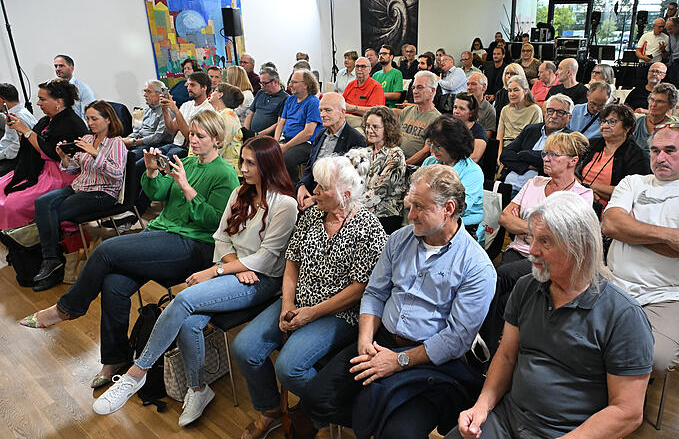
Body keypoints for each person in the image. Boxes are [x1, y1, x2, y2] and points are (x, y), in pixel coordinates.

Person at [19, 110, 240, 392]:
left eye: (200, 136)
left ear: (217, 139)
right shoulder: (186, 161)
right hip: (163, 233)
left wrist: (185, 186)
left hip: (193, 244)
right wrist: (151, 171)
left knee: (106, 250)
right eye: (192, 134)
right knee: (114, 284)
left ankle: (66, 309)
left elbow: (215, 223)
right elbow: (158, 193)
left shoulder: (225, 174)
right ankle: (115, 359)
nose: (193, 140)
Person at [89, 137, 298, 423]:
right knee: (189, 323)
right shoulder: (239, 192)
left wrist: (216, 271)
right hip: (236, 270)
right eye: (243, 161)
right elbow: (221, 238)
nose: (243, 168)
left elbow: (268, 259)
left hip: (261, 280)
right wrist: (233, 266)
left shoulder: (285, 204)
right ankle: (198, 389)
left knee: (184, 299)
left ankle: (136, 373)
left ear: (269, 166)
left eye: (251, 163)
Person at [302, 164, 496, 439]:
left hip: (429, 358)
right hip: (381, 340)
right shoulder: (399, 239)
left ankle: (373, 419)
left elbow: (456, 338)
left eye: (419, 207)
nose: (410, 214)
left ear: (448, 209)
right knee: (315, 399)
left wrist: (399, 360)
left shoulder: (477, 266)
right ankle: (369, 418)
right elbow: (375, 293)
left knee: (397, 433)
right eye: (410, 204)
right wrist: (365, 341)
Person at [452, 191, 653, 439]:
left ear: (580, 247)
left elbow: (627, 412)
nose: (532, 250)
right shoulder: (526, 288)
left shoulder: (624, 316)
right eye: (532, 238)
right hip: (507, 418)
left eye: (545, 241)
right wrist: (481, 407)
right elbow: (505, 356)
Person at [232, 156, 386, 439]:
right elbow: (292, 261)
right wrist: (287, 304)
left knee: (289, 368)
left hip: (338, 312)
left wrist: (311, 313)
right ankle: (270, 409)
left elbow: (359, 289)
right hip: (298, 300)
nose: (314, 191)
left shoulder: (370, 228)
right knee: (244, 349)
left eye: (322, 187)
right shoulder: (313, 214)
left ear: (345, 194)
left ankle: (324, 417)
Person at [602, 122, 679, 375]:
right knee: (572, 336)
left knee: (655, 358)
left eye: (670, 150)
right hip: (613, 283)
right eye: (655, 150)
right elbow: (611, 225)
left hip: (667, 294)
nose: (660, 158)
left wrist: (631, 228)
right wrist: (671, 235)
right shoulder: (633, 183)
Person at [482, 133, 593, 355]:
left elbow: (562, 239)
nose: (546, 158)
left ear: (572, 161)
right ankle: (499, 350)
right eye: (545, 153)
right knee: (506, 298)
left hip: (547, 261)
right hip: (517, 251)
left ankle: (486, 346)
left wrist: (526, 229)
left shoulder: (581, 195)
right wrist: (542, 233)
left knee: (497, 276)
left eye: (554, 154)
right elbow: (504, 218)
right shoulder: (533, 183)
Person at [32, 101, 127, 291]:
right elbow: (74, 168)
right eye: (88, 118)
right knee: (42, 203)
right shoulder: (86, 138)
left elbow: (117, 174)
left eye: (94, 119)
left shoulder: (116, 143)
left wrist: (95, 154)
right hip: (80, 186)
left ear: (108, 119)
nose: (90, 123)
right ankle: (52, 259)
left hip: (102, 192)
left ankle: (53, 260)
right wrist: (64, 157)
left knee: (52, 213)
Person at [0, 79, 89, 230]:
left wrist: (25, 130)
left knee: (11, 205)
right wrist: (20, 130)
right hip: (41, 168)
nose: (38, 103)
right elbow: (34, 145)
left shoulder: (71, 123)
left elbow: (49, 151)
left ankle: (22, 239)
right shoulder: (47, 120)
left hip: (60, 173)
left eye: (42, 99)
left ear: (58, 102)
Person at [296, 92, 366, 210]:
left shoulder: (356, 139)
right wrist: (302, 185)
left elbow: (351, 183)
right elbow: (310, 166)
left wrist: (314, 199)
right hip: (313, 189)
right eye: (321, 110)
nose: (322, 115)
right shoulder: (320, 134)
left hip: (335, 200)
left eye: (328, 110)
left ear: (342, 112)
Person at [577, 104, 650, 216]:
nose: (605, 125)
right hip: (578, 200)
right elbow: (570, 171)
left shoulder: (637, 156)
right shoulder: (591, 144)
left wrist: (588, 187)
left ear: (627, 127)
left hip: (612, 211)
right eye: (603, 121)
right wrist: (587, 192)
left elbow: (630, 193)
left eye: (612, 122)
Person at [421, 115, 485, 241]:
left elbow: (457, 208)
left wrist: (424, 201)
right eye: (430, 144)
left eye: (438, 146)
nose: (432, 150)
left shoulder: (472, 172)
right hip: (429, 221)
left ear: (454, 145)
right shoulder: (429, 162)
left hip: (461, 227)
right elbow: (412, 194)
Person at [346, 106, 407, 234]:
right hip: (360, 210)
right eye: (368, 126)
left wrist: (349, 207)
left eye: (375, 127)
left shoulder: (395, 155)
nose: (369, 130)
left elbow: (379, 192)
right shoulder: (365, 152)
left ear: (388, 129)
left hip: (385, 215)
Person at [500, 94, 573, 195]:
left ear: (569, 117)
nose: (553, 116)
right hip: (507, 186)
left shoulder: (568, 138)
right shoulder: (531, 129)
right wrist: (530, 166)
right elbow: (505, 155)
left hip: (536, 194)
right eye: (550, 111)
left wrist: (523, 154)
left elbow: (553, 164)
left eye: (560, 113)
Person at [273, 69, 324, 184]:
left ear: (305, 85)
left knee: (286, 158)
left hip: (306, 143)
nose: (290, 85)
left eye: (294, 82)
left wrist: (285, 147)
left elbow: (308, 133)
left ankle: (295, 188)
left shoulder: (313, 102)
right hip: (288, 140)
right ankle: (277, 187)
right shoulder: (290, 99)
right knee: (266, 153)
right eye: (290, 82)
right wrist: (275, 142)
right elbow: (281, 122)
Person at [159, 71, 214, 160]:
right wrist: (165, 109)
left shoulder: (207, 110)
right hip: (174, 144)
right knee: (148, 158)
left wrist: (176, 111)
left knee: (160, 163)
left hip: (187, 149)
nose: (188, 88)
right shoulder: (186, 105)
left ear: (204, 88)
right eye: (188, 85)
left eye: (192, 85)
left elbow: (190, 136)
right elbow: (172, 129)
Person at [399, 70, 442, 165]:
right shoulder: (406, 111)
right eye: (413, 87)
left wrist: (403, 165)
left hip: (414, 166)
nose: (415, 91)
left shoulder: (437, 119)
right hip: (396, 159)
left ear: (432, 91)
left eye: (420, 87)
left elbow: (426, 151)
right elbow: (395, 138)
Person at [496, 76, 543, 160]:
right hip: (506, 148)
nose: (512, 94)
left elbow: (534, 139)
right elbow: (499, 136)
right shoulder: (505, 109)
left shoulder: (535, 110)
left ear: (525, 91)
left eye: (516, 90)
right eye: (509, 90)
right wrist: (499, 156)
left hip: (524, 149)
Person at [122, 80, 170, 161]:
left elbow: (158, 137)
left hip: (154, 145)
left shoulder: (166, 111)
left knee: (128, 158)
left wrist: (134, 142)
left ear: (160, 94)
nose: (145, 95)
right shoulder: (148, 109)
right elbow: (140, 131)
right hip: (140, 142)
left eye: (148, 92)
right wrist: (126, 139)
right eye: (145, 91)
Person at [205, 83, 245, 171]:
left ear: (220, 94)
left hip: (228, 169)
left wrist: (203, 162)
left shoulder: (228, 115)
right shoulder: (220, 114)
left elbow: (221, 144)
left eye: (214, 90)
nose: (211, 93)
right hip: (219, 166)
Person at [0, 83, 36, 176]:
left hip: (16, 160)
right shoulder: (23, 111)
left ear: (1, 100)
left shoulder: (16, 117)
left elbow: (16, 148)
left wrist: (1, 154)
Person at [631, 82, 679, 150]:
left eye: (660, 101)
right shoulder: (638, 122)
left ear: (671, 105)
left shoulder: (677, 128)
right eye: (652, 100)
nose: (653, 105)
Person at [244, 68, 289, 138]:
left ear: (275, 82)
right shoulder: (261, 93)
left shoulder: (285, 98)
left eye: (264, 83)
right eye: (261, 83)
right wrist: (245, 132)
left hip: (267, 138)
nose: (262, 87)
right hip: (252, 135)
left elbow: (279, 123)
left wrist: (258, 135)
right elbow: (250, 114)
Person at [53, 54, 96, 122]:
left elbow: (88, 116)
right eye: (56, 66)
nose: (57, 69)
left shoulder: (83, 89)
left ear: (72, 68)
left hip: (77, 126)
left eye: (61, 66)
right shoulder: (52, 88)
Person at [453, 92, 488, 165]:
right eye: (455, 107)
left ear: (471, 112)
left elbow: (473, 159)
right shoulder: (448, 126)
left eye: (462, 109)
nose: (456, 111)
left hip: (467, 169)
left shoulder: (479, 132)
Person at [466, 73, 497, 138]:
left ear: (484, 87)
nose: (469, 88)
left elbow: (486, 137)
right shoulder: (462, 105)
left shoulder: (489, 110)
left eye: (473, 84)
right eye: (468, 84)